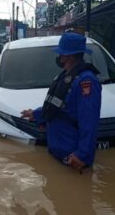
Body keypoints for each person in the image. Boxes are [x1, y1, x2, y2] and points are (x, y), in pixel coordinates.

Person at [21, 32, 102, 172]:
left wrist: (82, 155)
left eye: (61, 54)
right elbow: (60, 105)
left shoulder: (86, 81)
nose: (59, 57)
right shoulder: (66, 75)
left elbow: (89, 121)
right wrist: (37, 114)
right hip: (58, 150)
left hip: (73, 157)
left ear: (69, 56)